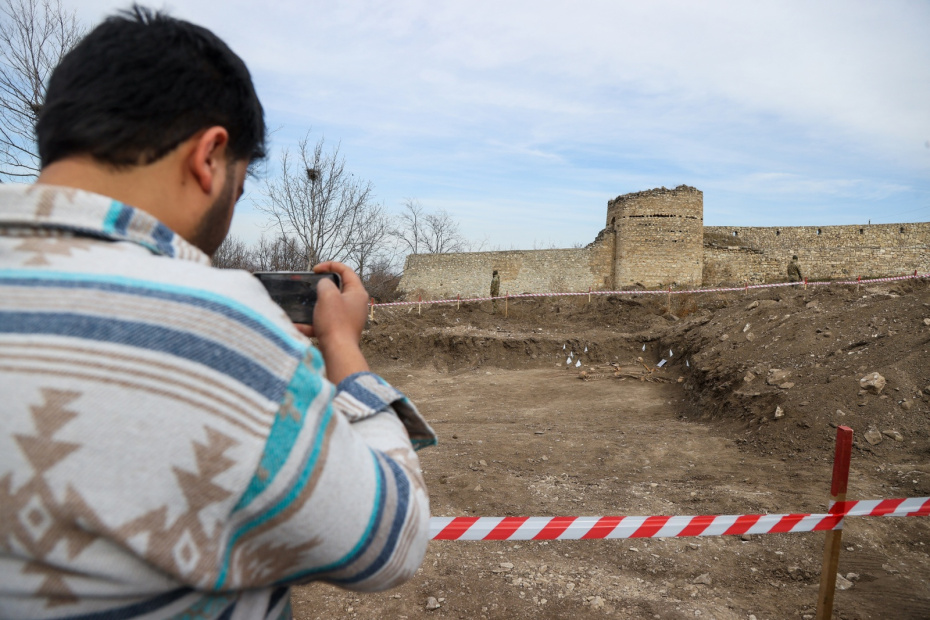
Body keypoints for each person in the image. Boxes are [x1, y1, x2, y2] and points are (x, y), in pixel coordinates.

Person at [0, 6, 435, 619]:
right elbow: (395, 539)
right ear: (209, 156)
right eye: (240, 182)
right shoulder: (222, 330)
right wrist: (341, 348)